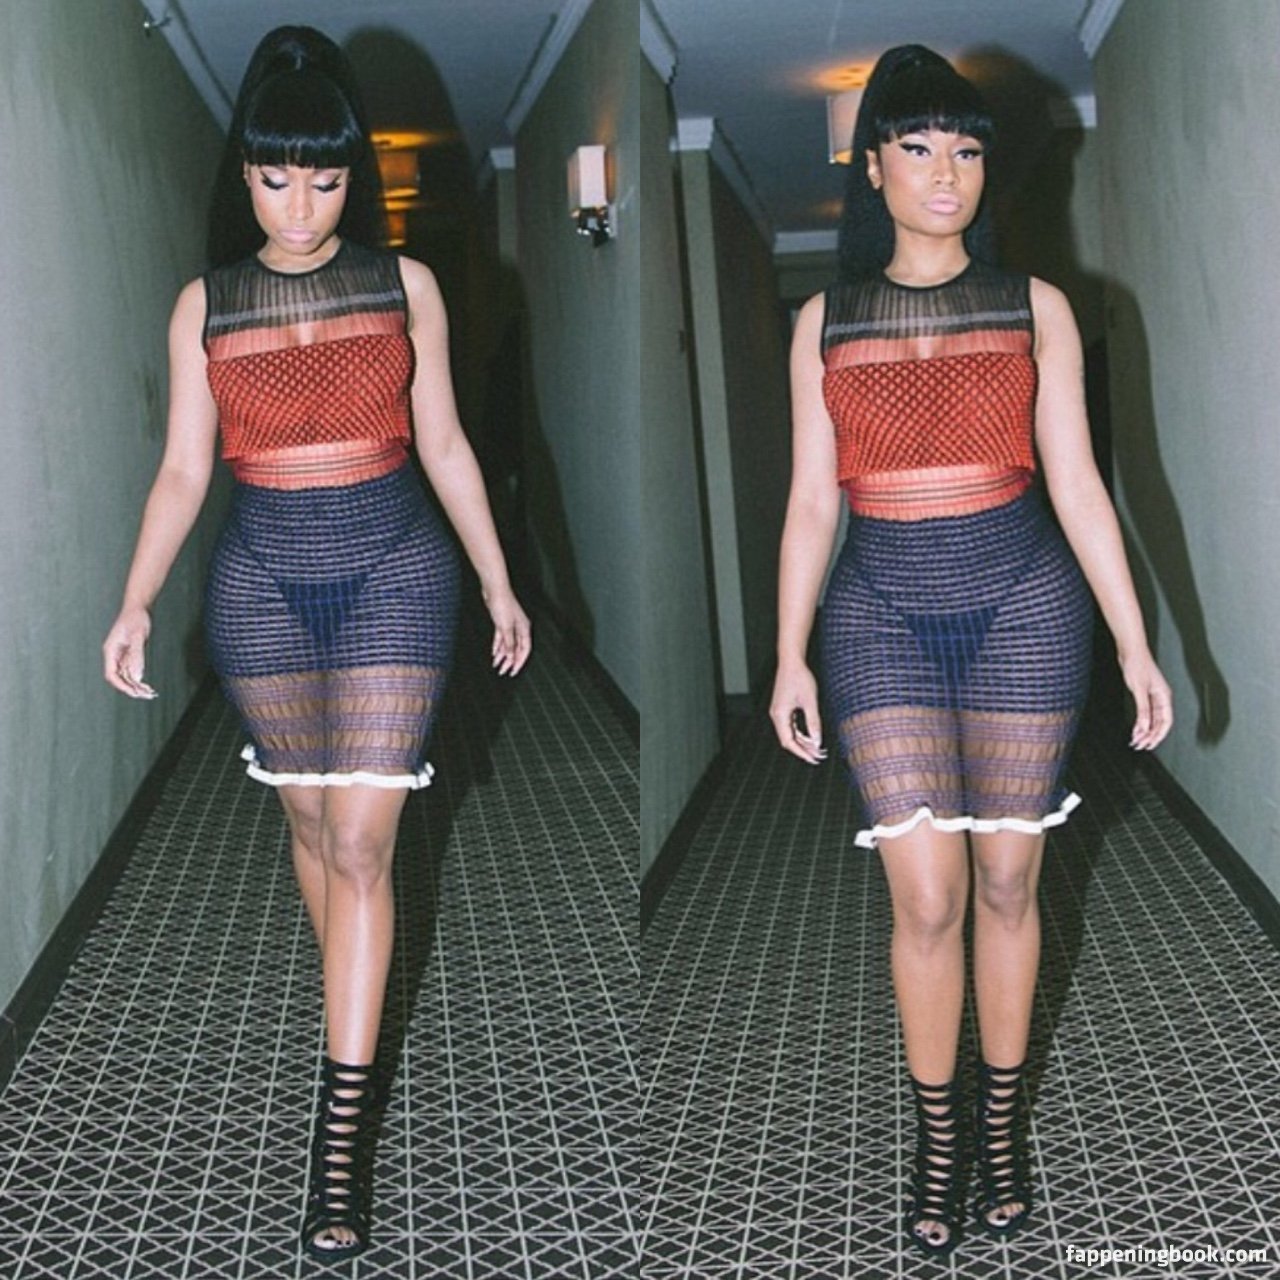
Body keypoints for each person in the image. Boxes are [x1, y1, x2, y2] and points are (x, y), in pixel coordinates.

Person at [102, 26, 531, 1263]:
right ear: (243, 173)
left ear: (356, 178)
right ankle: (351, 967)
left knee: (360, 837)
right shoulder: (207, 304)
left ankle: (336, 1142)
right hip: (262, 590)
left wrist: (498, 578)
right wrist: (135, 598)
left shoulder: (405, 287)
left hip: (397, 571)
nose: (299, 207)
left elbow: (444, 443)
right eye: (276, 179)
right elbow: (183, 470)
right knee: (309, 824)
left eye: (327, 180)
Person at [769, 45, 1171, 1258]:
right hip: (877, 618)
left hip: (1022, 610)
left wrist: (1134, 641)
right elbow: (809, 502)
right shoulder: (823, 322)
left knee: (1005, 880)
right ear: (871, 166)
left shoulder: (1033, 308)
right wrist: (786, 653)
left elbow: (1078, 484)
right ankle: (937, 1135)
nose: (945, 173)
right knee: (927, 894)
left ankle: (1000, 1127)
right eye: (917, 147)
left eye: (966, 149)